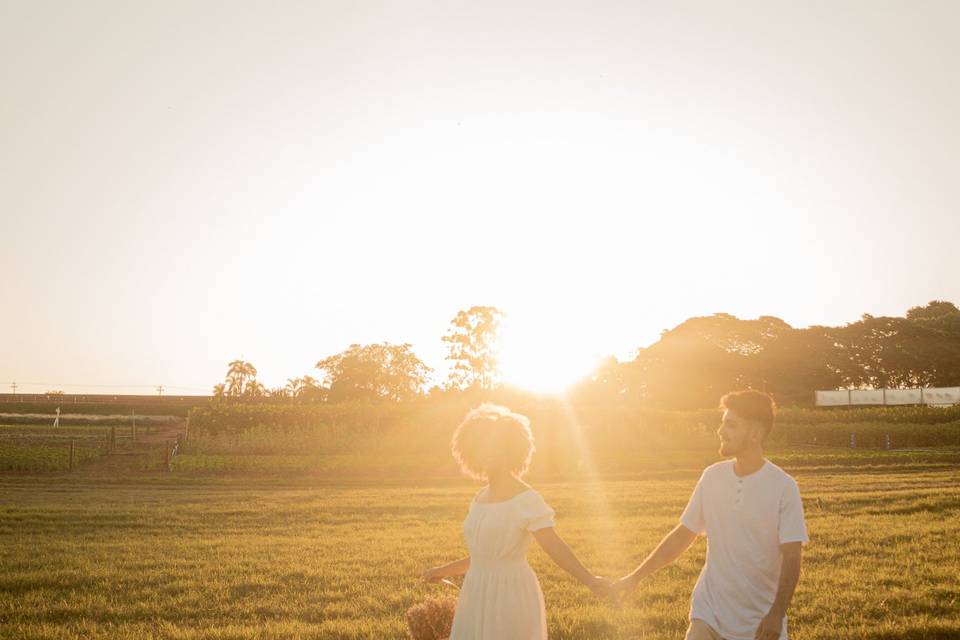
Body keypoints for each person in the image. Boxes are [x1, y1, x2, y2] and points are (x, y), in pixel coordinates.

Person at [613, 390, 808, 640]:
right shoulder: (712, 477)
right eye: (722, 422)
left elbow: (792, 556)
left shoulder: (783, 486)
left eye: (731, 424)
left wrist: (777, 613)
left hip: (759, 623)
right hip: (709, 613)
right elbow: (684, 534)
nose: (720, 431)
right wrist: (635, 577)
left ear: (755, 435)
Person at [422, 403, 612, 639]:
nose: (490, 452)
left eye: (499, 446)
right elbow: (483, 557)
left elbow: (554, 546)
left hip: (510, 594)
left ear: (513, 450)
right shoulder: (480, 497)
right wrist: (443, 570)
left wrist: (590, 580)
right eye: (483, 445)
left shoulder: (526, 499)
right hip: (476, 590)